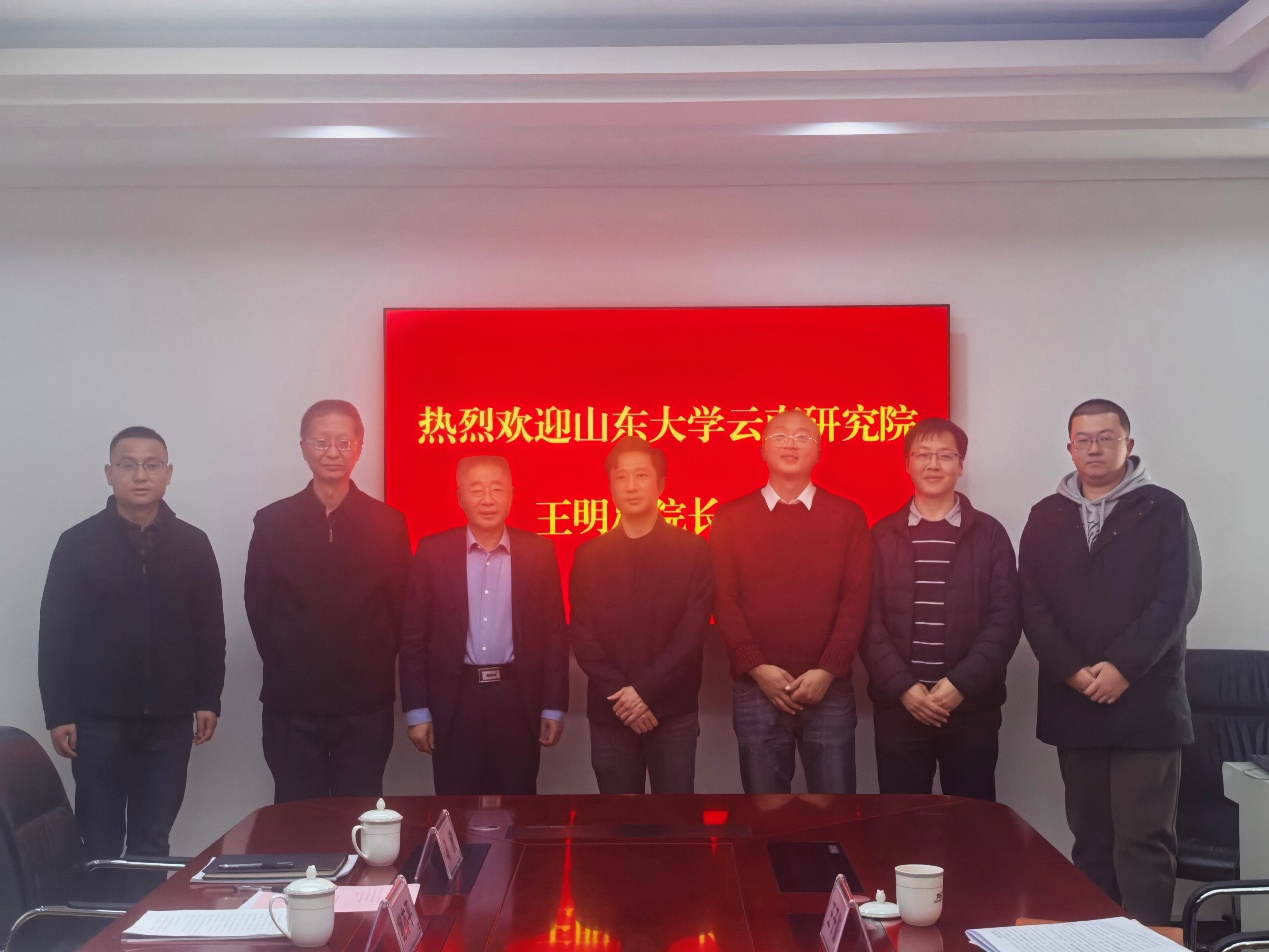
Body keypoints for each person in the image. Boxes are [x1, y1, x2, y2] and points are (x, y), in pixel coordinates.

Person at [1020, 398, 1201, 926]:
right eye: (1084, 439)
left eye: (1106, 437)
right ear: (1070, 447)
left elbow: (1177, 598)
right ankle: (1092, 937)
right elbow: (1031, 601)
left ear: (1129, 444)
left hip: (1145, 701)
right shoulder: (1046, 514)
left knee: (1143, 841)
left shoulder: (1163, 508)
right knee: (1091, 840)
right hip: (1073, 698)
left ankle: (1145, 940)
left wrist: (1121, 667)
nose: (1094, 448)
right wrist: (1073, 671)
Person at [38, 426, 225, 861]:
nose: (140, 475)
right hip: (96, 722)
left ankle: (143, 909)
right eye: (128, 465)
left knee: (152, 841)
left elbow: (210, 631)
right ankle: (103, 908)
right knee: (99, 841)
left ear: (168, 473)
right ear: (109, 473)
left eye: (151, 465)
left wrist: (208, 698)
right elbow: (55, 633)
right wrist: (59, 711)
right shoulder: (77, 543)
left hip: (169, 721)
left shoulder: (193, 544)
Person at [245, 399, 411, 804]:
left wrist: (370, 661)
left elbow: (400, 606)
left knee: (361, 812)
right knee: (297, 814)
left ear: (359, 447)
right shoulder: (272, 522)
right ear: (304, 447)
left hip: (365, 704)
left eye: (344, 442)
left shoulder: (387, 523)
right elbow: (259, 606)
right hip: (292, 703)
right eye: (322, 442)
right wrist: (290, 660)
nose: (332, 452)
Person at [710, 408, 872, 794]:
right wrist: (756, 667)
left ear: (818, 453)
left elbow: (856, 598)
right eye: (780, 435)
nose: (791, 443)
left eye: (803, 437)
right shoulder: (730, 517)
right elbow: (723, 598)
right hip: (757, 688)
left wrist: (828, 669)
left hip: (828, 688)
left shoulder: (847, 516)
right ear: (762, 450)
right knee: (765, 812)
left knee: (834, 811)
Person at [859, 417, 1020, 801]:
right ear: (907, 463)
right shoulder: (881, 535)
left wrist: (960, 684)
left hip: (971, 708)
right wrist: (904, 687)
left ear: (961, 465)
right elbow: (867, 621)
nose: (933, 465)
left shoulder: (989, 534)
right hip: (900, 708)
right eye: (923, 455)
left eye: (945, 456)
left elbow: (1006, 618)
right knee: (900, 819)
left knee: (972, 821)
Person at [399, 456, 569, 795]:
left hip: (517, 698)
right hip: (455, 699)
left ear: (512, 495)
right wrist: (417, 711)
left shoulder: (539, 552)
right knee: (455, 803)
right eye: (476, 490)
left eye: (497, 489)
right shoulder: (432, 552)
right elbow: (413, 638)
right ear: (460, 497)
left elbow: (554, 635)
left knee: (519, 803)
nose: (488, 499)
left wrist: (553, 706)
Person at [569, 436, 714, 794]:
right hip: (611, 713)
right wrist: (625, 697)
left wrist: (644, 692)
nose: (631, 486)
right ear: (611, 487)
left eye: (641, 476)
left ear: (660, 484)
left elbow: (691, 634)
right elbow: (584, 637)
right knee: (617, 820)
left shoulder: (693, 550)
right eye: (621, 477)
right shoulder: (589, 556)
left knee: (676, 818)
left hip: (673, 712)